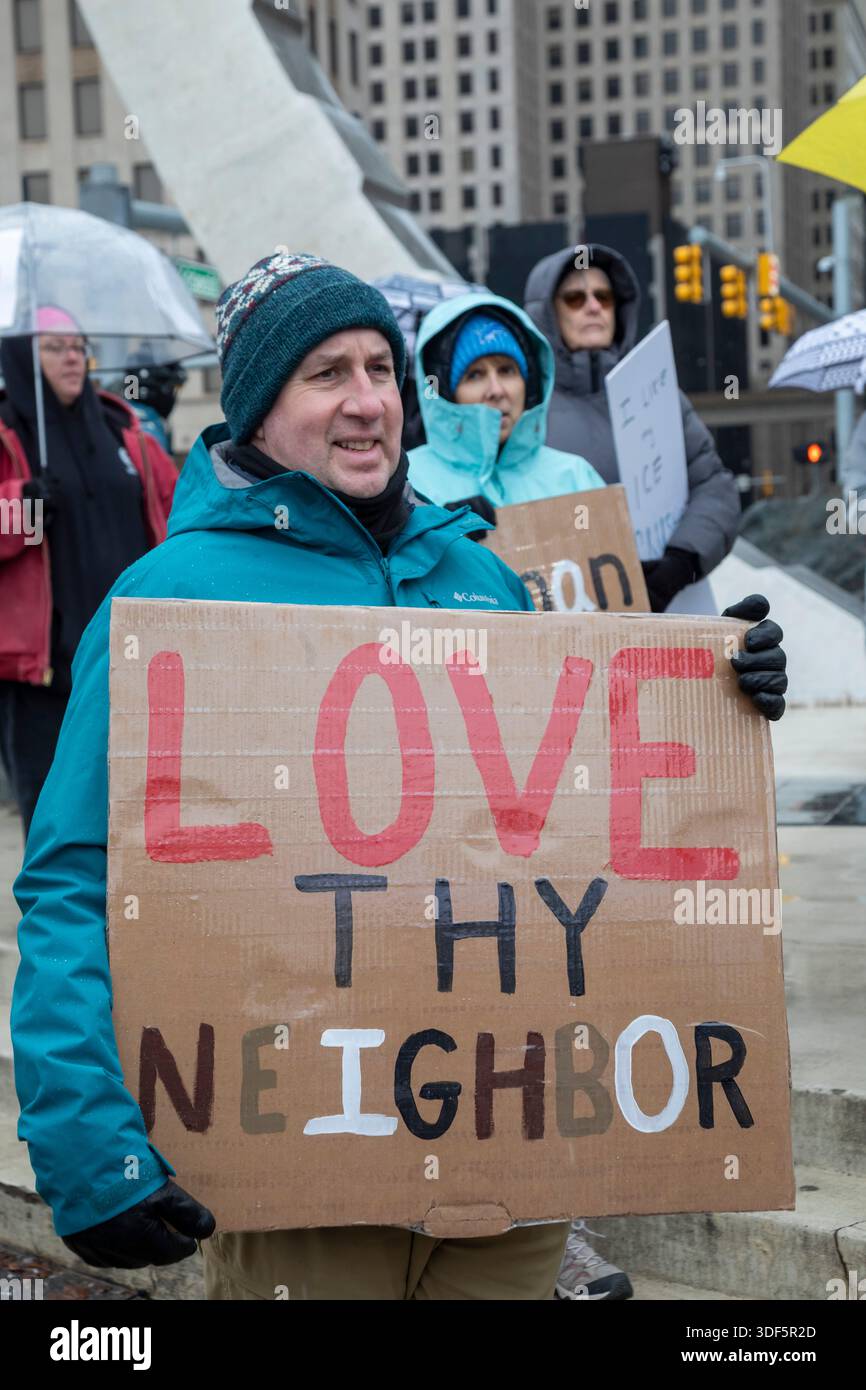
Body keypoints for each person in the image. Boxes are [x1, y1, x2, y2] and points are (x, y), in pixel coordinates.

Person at [11, 252, 788, 1301]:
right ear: (255, 406)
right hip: (300, 1168)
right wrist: (88, 1142)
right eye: (325, 372)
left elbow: (576, 810)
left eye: (380, 366)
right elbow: (72, 877)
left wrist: (712, 697)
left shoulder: (478, 576)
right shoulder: (169, 600)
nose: (368, 400)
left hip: (501, 1167)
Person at [0, 306, 177, 835]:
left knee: (129, 810)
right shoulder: (7, 430)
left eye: (78, 345)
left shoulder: (123, 426)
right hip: (45, 673)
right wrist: (23, 505)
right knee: (55, 819)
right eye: (54, 348)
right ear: (21, 357)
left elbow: (174, 510)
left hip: (127, 656)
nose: (73, 357)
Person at [524, 244, 741, 614]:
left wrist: (681, 562)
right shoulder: (524, 408)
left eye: (604, 297)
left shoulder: (658, 393)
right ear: (546, 313)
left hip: (671, 609)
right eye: (576, 298)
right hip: (566, 618)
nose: (593, 306)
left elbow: (715, 486)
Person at [408, 291, 604, 528]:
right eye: (475, 375)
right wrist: (436, 541)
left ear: (529, 384)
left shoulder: (575, 476)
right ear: (444, 394)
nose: (496, 390)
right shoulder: (408, 483)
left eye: (507, 370)